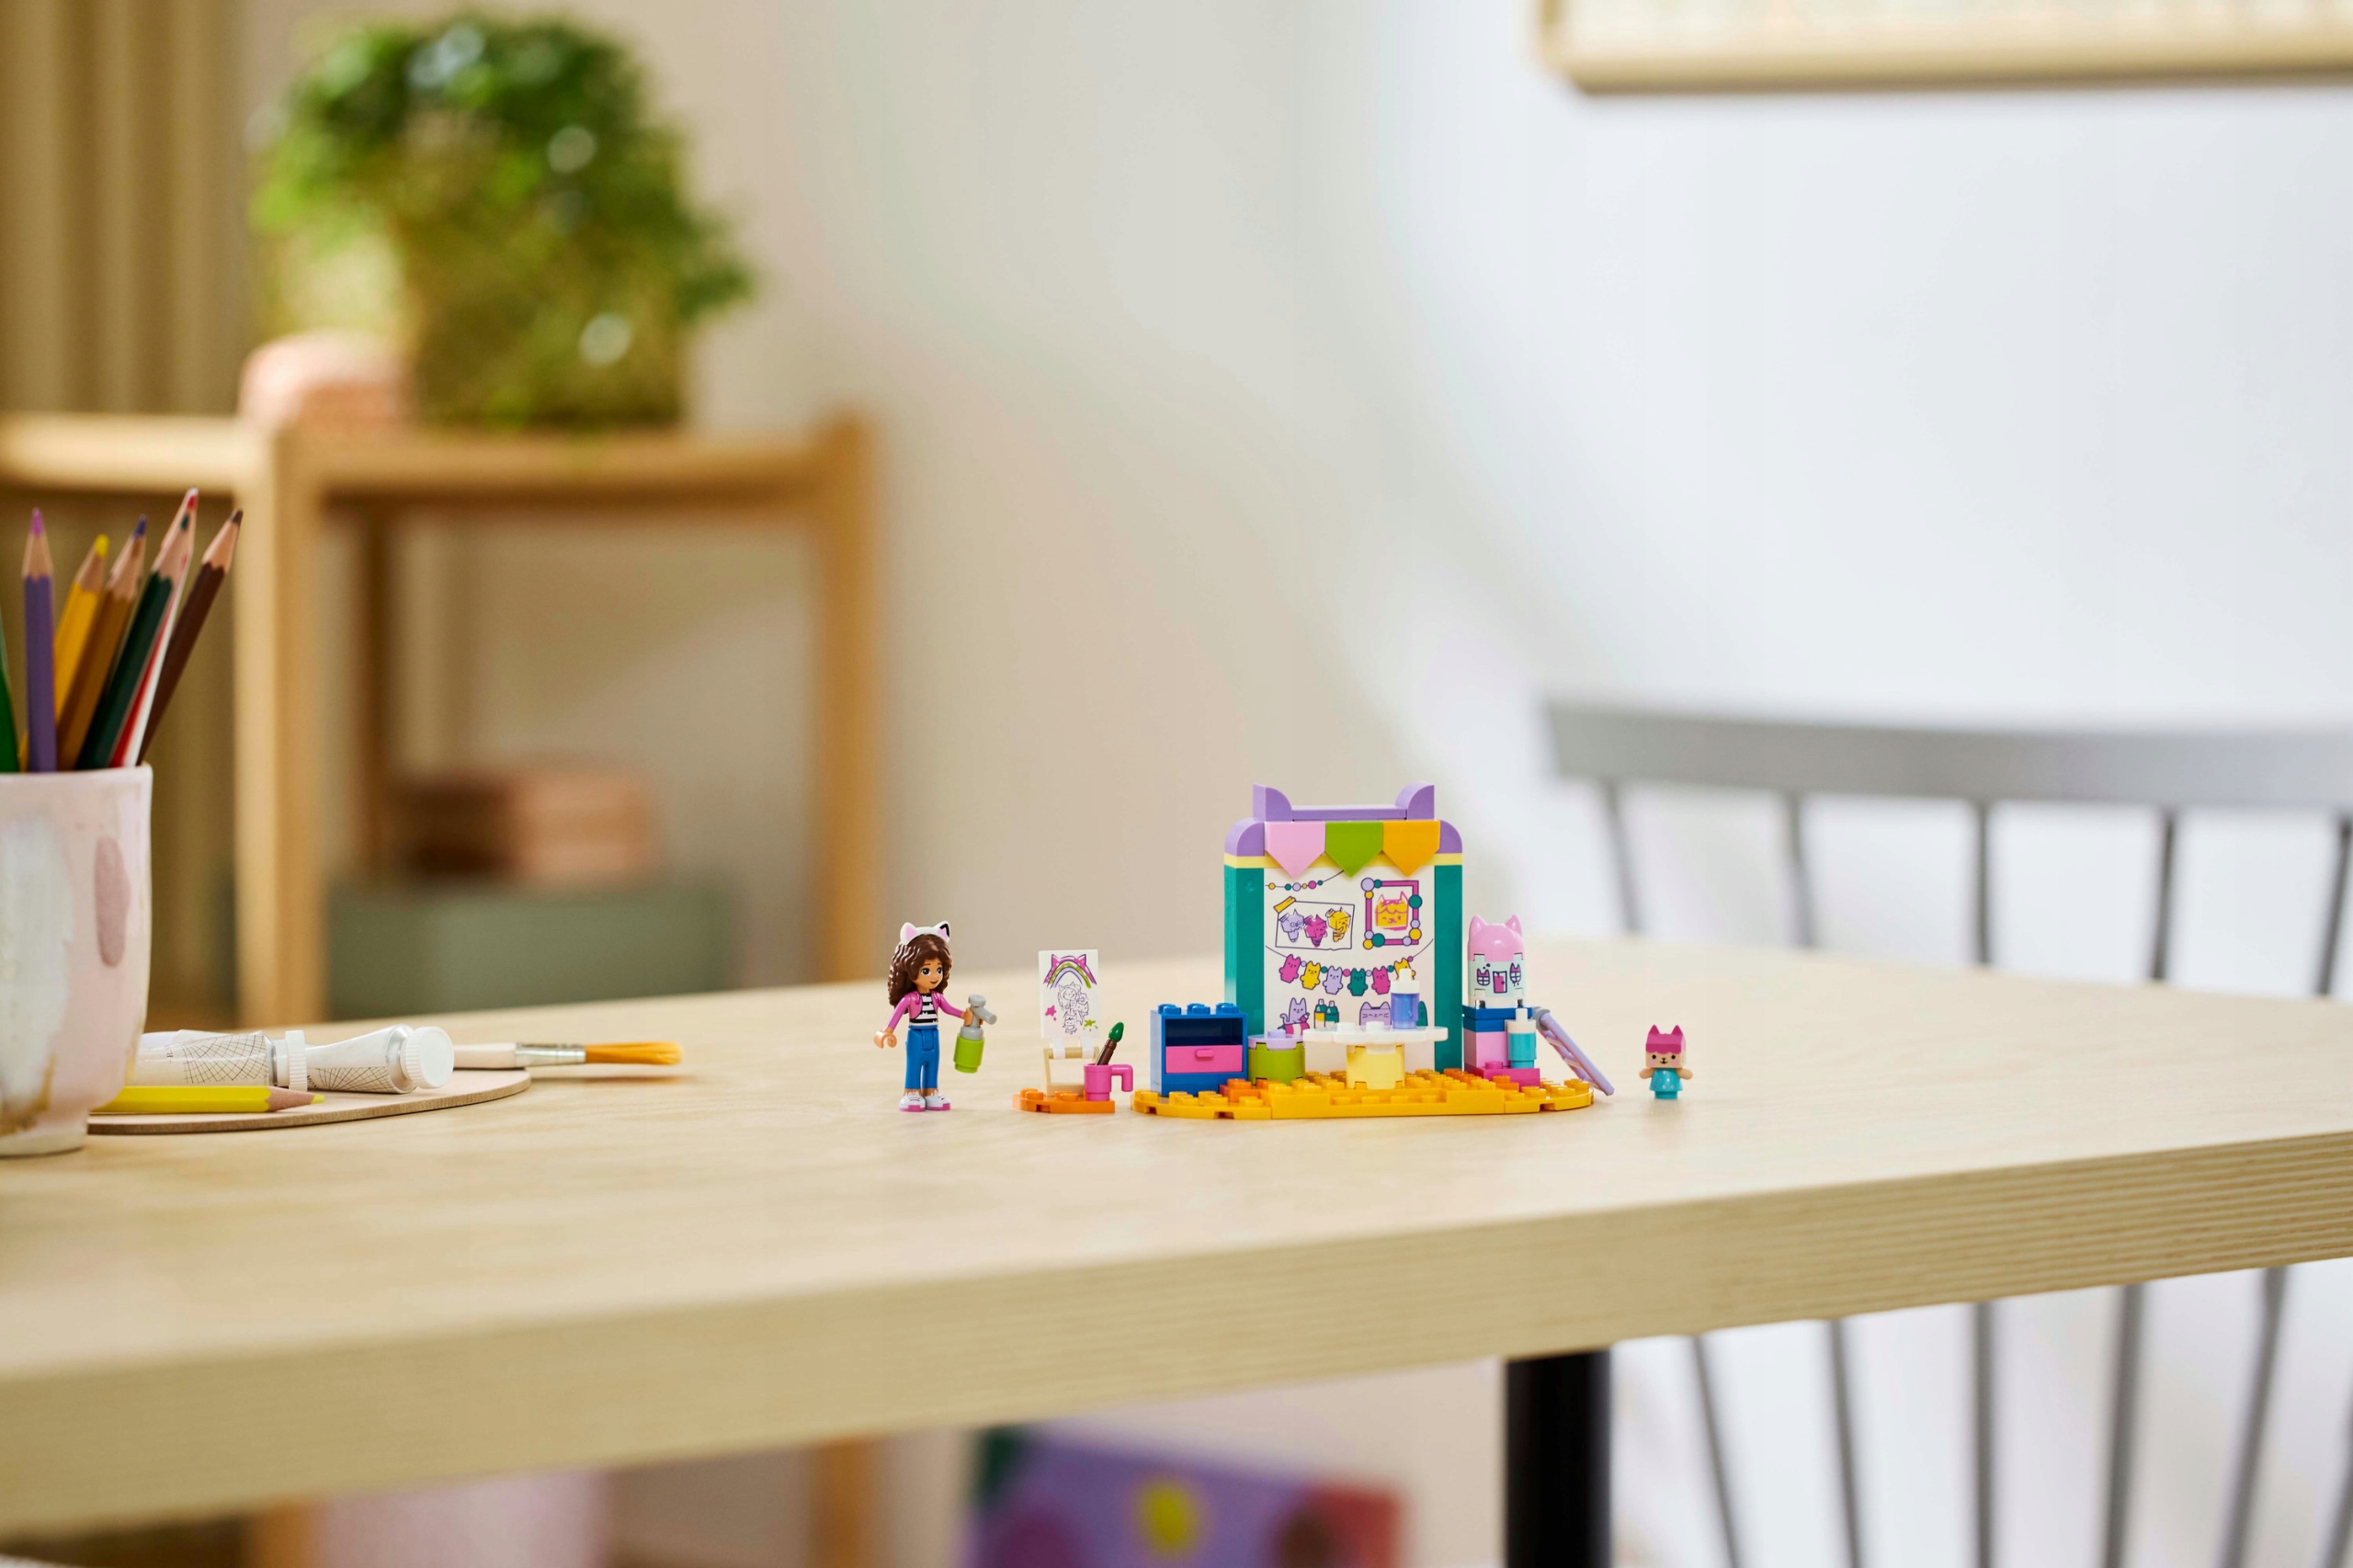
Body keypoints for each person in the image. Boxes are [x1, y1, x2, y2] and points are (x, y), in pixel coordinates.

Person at [876, 923, 973, 1111]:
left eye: (939, 969)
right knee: (914, 1064)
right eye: (926, 971)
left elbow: (949, 1009)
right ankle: (911, 1091)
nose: (934, 976)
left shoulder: (937, 997)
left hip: (933, 1035)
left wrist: (964, 1015)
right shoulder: (910, 999)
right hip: (916, 1036)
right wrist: (887, 1031)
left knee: (932, 1064)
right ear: (910, 970)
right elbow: (896, 1015)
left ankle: (931, 1091)